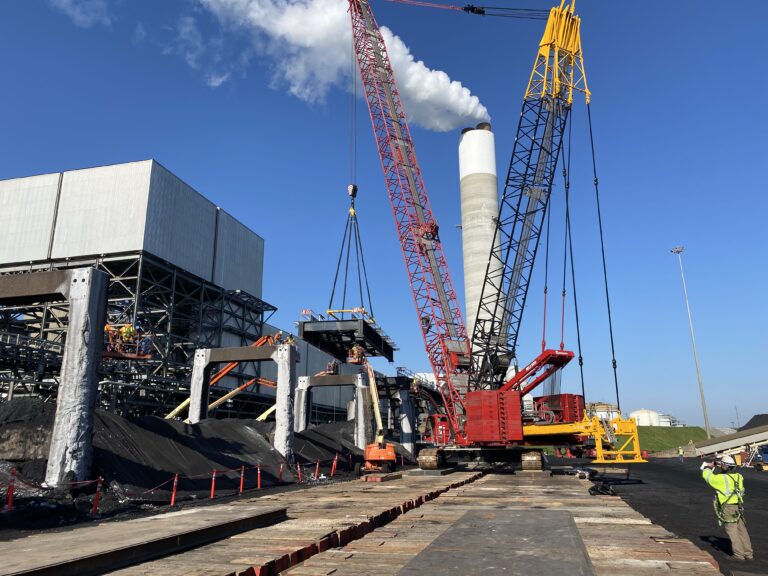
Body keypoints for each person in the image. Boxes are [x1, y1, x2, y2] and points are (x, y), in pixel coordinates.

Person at [700, 456, 753, 561]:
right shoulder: (739, 476)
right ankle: (748, 553)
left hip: (728, 507)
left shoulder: (722, 479)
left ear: (724, 466)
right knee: (742, 529)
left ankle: (738, 555)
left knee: (732, 530)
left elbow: (708, 477)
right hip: (738, 507)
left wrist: (708, 467)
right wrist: (720, 466)